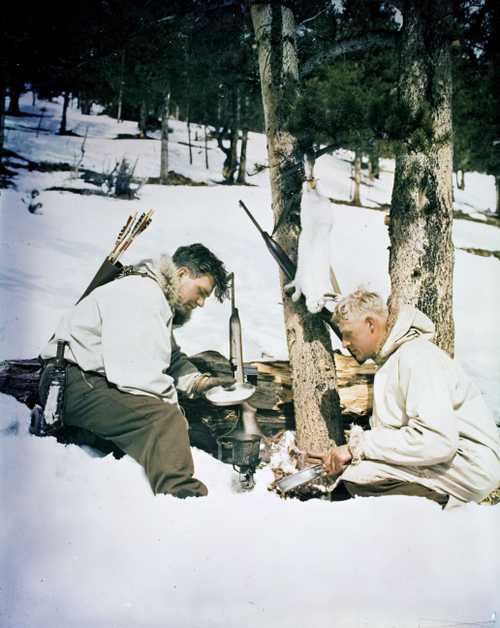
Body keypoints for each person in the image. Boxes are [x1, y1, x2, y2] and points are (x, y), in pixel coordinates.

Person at [40, 243, 234, 498]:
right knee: (165, 420)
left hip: (85, 381)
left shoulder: (153, 296)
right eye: (201, 292)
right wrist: (175, 415)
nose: (200, 303)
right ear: (183, 274)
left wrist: (198, 382)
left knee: (169, 423)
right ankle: (182, 496)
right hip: (72, 382)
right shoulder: (142, 294)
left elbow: (171, 358)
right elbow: (138, 375)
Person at [309, 289, 500, 507]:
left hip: (467, 465)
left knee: (361, 479)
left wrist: (358, 447)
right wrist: (354, 455)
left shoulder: (416, 357)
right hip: (450, 462)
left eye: (348, 334)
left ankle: (441, 516)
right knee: (357, 475)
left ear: (371, 324)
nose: (344, 343)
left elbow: (437, 441)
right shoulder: (394, 360)